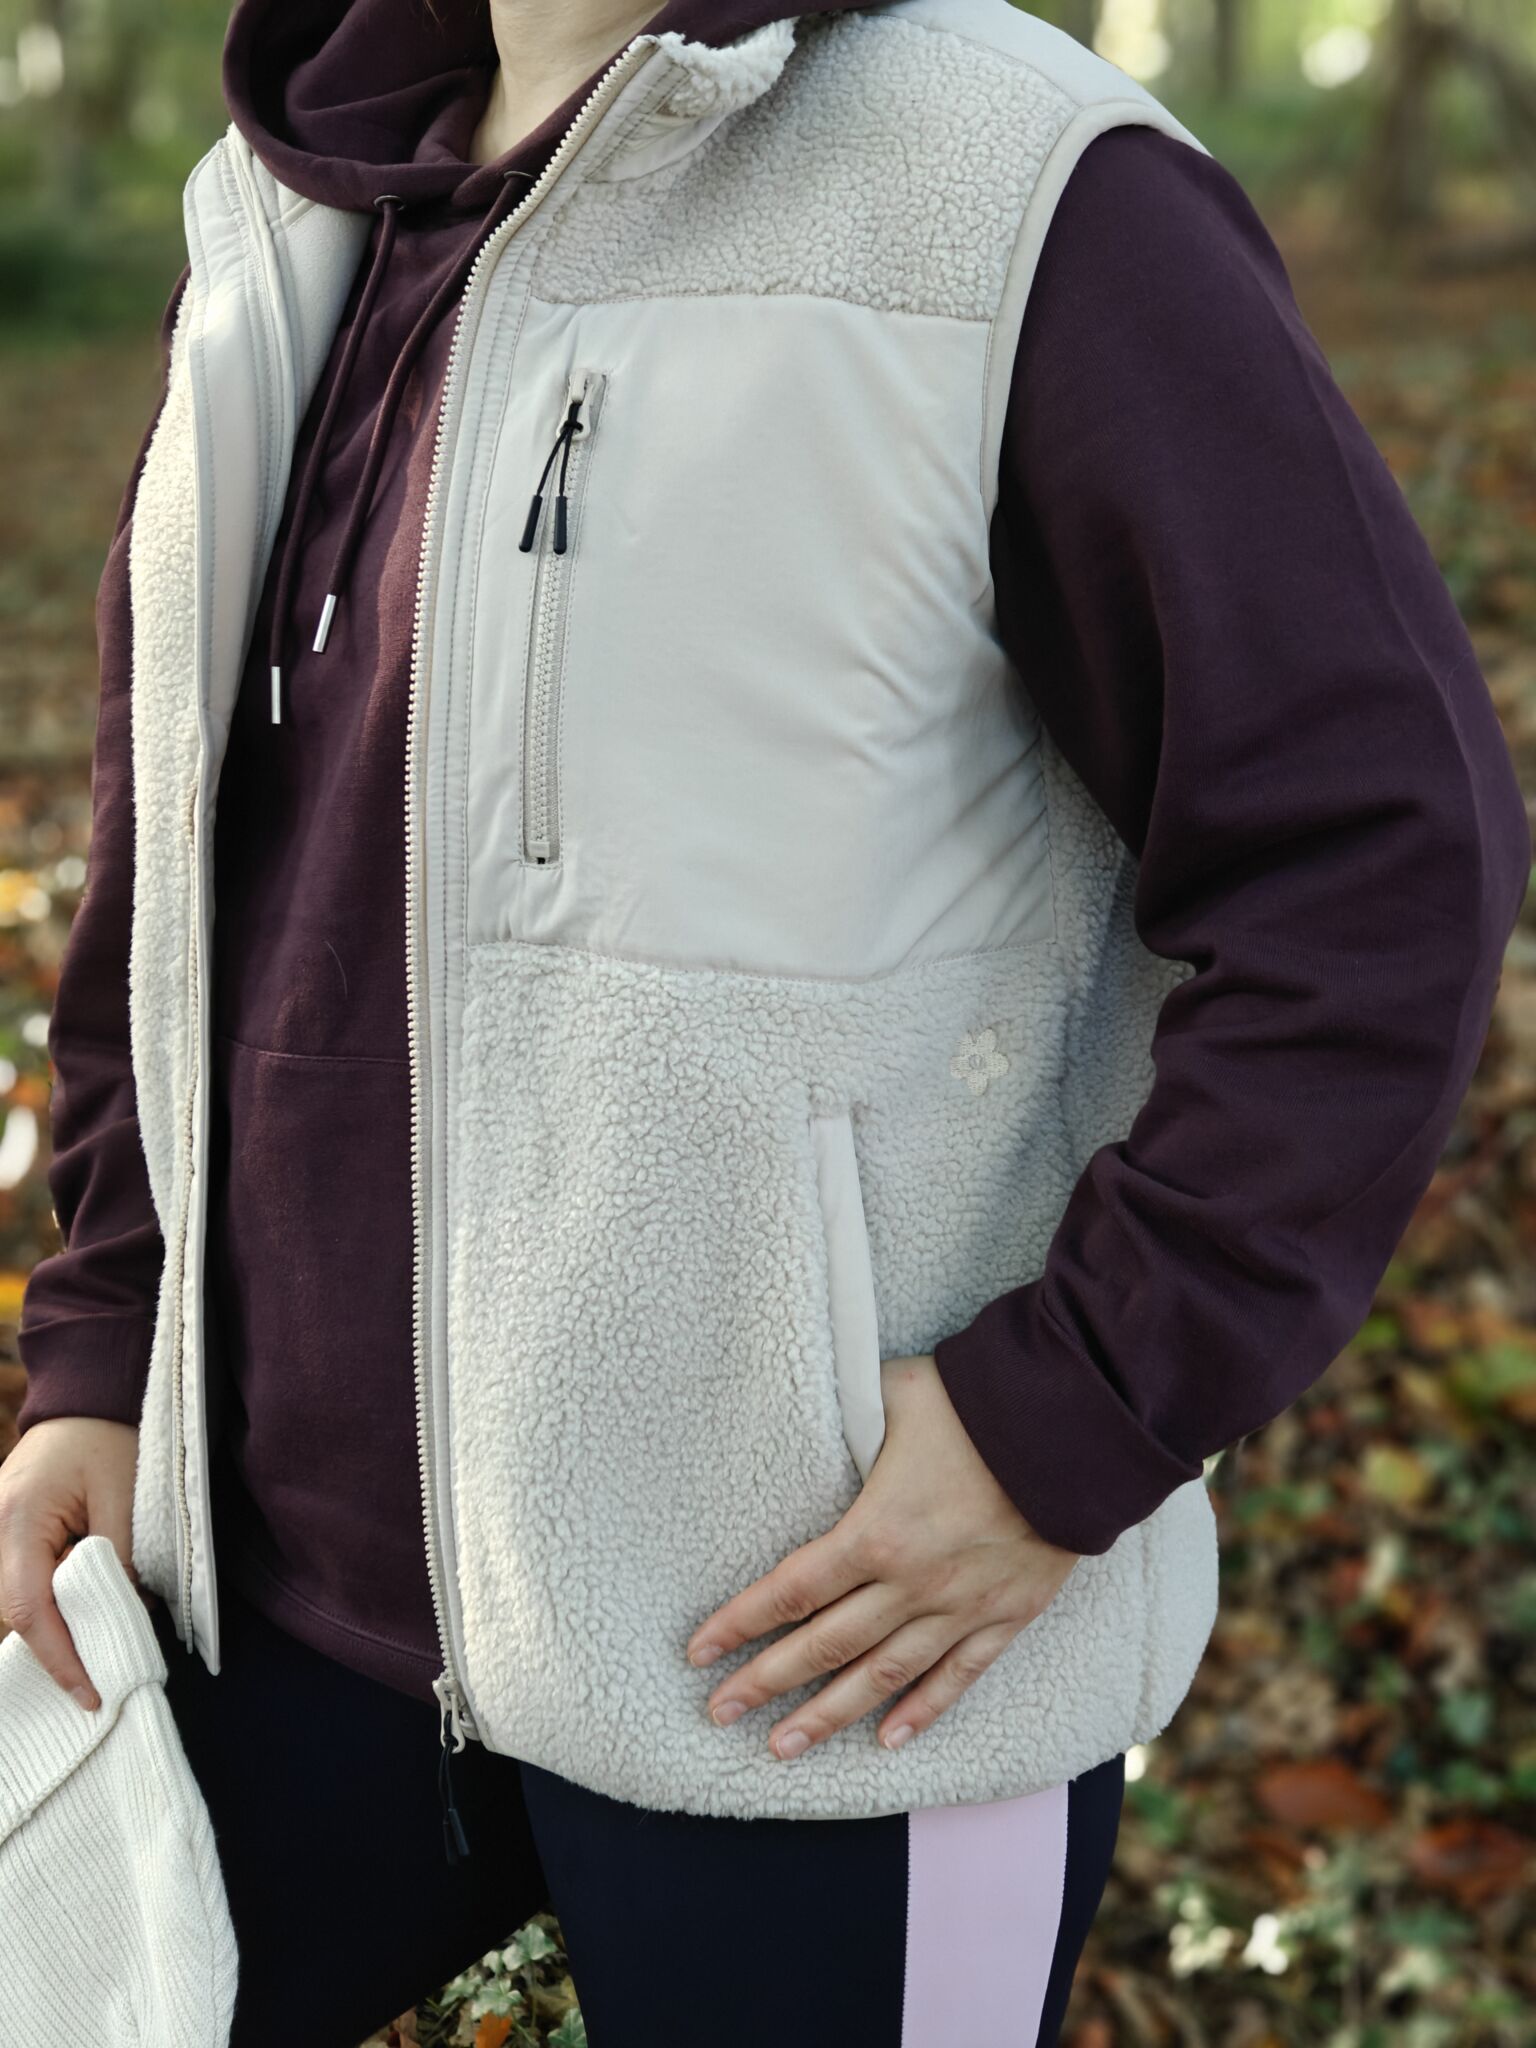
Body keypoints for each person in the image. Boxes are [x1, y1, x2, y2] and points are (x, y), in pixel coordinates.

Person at [1, 0, 1528, 2041]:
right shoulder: (288, 205)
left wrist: (1073, 1409)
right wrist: (106, 1341)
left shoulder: (1023, 187)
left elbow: (1379, 853)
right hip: (276, 1580)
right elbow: (176, 863)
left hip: (824, 1641)